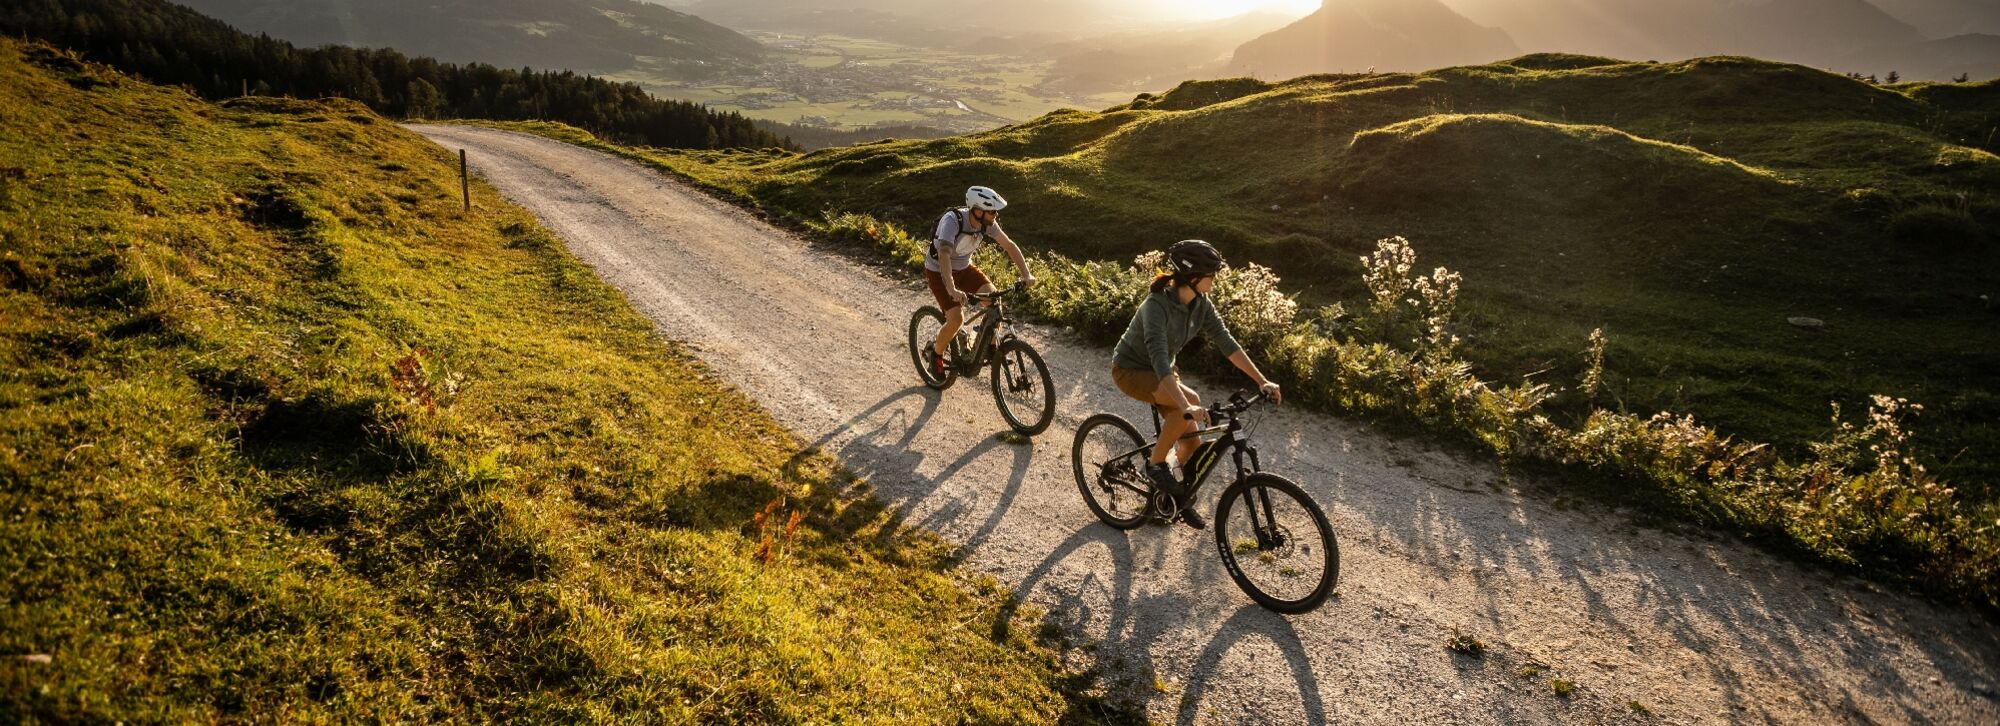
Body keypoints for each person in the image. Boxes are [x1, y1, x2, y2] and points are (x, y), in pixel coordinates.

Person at [1109, 240, 1282, 529]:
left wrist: (1261, 380)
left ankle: (1172, 496)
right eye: (1211, 274)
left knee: (1192, 443)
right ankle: (1155, 464)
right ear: (1192, 277)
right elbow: (1160, 360)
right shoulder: (1156, 306)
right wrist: (1186, 405)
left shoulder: (1200, 304)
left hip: (1161, 373)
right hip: (1130, 370)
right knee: (1184, 407)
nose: (1215, 279)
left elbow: (1227, 343)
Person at [923, 186, 1036, 377]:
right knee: (956, 319)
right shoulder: (952, 221)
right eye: (992, 211)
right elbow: (944, 254)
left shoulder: (988, 224)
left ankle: (991, 351)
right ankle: (936, 355)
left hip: (965, 269)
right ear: (977, 210)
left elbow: (1009, 245)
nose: (996, 215)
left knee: (994, 303)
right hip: (939, 271)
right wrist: (951, 288)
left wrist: (1027, 274)